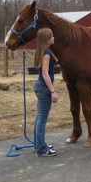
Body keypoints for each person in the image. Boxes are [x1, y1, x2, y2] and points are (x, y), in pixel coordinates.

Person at [33, 28, 59, 157]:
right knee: (42, 119)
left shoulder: (40, 51)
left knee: (39, 117)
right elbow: (45, 74)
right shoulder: (47, 53)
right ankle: (41, 149)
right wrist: (53, 91)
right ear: (47, 39)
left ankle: (38, 145)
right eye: (52, 36)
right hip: (43, 87)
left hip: (39, 86)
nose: (54, 38)